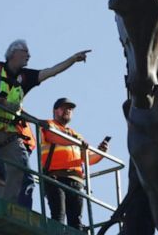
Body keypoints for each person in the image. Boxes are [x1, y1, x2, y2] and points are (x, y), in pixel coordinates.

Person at [0, 39, 91, 204]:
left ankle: (8, 206)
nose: (29, 56)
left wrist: (72, 59)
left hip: (9, 131)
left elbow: (51, 72)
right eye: (25, 52)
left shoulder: (26, 76)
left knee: (21, 169)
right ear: (14, 53)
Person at [41, 97, 109, 230]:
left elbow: (87, 159)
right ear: (55, 110)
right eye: (64, 107)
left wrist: (101, 153)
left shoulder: (76, 135)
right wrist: (74, 141)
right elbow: (52, 137)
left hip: (76, 181)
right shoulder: (49, 125)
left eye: (70, 109)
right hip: (55, 177)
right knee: (58, 217)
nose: (68, 110)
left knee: (76, 222)